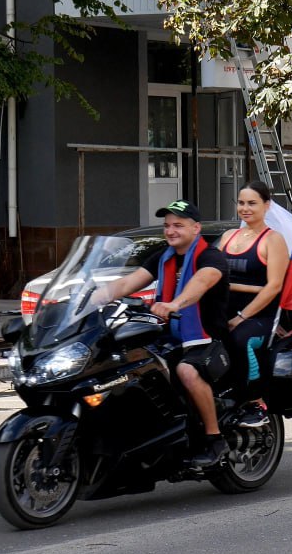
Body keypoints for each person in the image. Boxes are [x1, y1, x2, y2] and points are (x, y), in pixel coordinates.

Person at [97, 200, 232, 467]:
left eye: (178, 225)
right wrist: (86, 300)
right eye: (167, 225)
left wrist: (174, 304)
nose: (170, 231)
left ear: (196, 228)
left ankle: (214, 439)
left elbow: (201, 282)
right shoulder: (163, 256)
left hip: (206, 338)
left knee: (187, 371)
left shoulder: (210, 257)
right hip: (169, 335)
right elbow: (127, 283)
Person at [217, 182, 289, 423]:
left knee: (239, 340)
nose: (245, 208)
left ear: (266, 206)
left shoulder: (273, 240)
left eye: (252, 203)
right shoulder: (228, 237)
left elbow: (274, 287)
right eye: (241, 203)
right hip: (223, 310)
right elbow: (212, 274)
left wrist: (241, 317)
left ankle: (255, 401)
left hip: (259, 318)